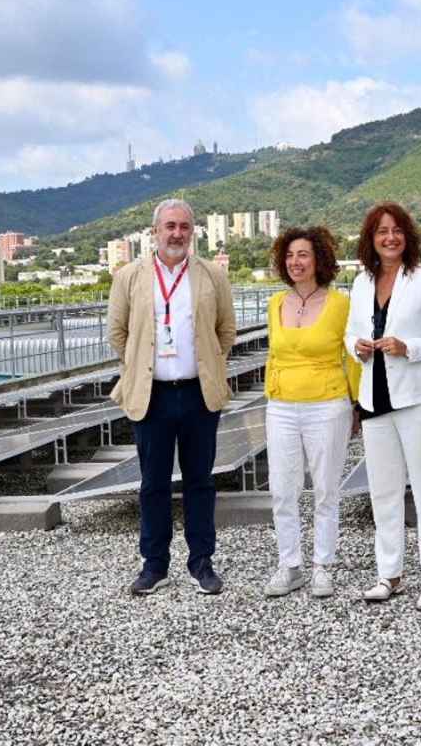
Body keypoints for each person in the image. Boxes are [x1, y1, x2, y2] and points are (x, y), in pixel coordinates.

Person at [107, 198, 238, 597]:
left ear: (192, 232)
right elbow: (118, 333)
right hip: (153, 396)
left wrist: (207, 363)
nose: (177, 233)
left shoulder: (211, 275)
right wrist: (144, 366)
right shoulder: (129, 276)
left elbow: (226, 331)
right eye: (170, 226)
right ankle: (154, 565)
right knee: (153, 484)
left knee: (201, 482)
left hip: (198, 395)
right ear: (155, 232)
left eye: (184, 226)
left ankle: (202, 563)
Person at [345, 202, 421, 612]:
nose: (389, 237)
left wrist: (409, 347)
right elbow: (350, 333)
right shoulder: (360, 283)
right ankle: (389, 573)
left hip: (418, 397)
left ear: (407, 235)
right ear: (370, 240)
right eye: (381, 232)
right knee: (384, 492)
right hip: (374, 398)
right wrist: (356, 347)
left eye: (396, 230)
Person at [261, 226, 358, 600]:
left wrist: (354, 405)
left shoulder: (340, 304)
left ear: (319, 259)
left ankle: (323, 566)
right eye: (289, 256)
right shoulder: (275, 304)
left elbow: (351, 359)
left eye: (303, 255)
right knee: (283, 490)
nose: (295, 262)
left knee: (325, 489)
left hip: (327, 405)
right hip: (282, 406)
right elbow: (273, 355)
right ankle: (290, 565)